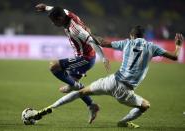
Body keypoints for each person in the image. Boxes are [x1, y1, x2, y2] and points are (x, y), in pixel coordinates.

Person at [31, 26, 184, 128]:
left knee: (81, 92)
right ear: (143, 36)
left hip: (111, 81)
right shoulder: (152, 47)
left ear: (132, 36)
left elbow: (102, 42)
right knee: (145, 106)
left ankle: (46, 109)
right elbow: (175, 57)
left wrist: (88, 35)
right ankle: (123, 122)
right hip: (125, 91)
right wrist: (178, 45)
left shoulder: (127, 43)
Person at [35, 3, 110, 124]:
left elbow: (92, 40)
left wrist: (104, 58)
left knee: (54, 66)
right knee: (77, 89)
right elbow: (57, 9)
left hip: (86, 59)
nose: (53, 24)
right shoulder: (66, 13)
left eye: (54, 21)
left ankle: (74, 85)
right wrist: (45, 7)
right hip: (81, 56)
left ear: (60, 19)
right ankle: (92, 105)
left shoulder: (75, 29)